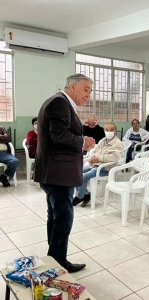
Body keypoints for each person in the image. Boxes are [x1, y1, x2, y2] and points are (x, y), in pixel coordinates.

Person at [34, 73, 96, 272]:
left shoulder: (61, 103)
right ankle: (58, 264)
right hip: (58, 173)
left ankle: (54, 259)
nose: (89, 95)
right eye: (86, 89)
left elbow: (61, 132)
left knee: (55, 216)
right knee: (63, 219)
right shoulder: (59, 103)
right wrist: (82, 141)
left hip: (55, 171)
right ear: (72, 86)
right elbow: (59, 135)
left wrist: (81, 137)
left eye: (90, 91)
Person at [73, 122, 123, 207]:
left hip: (105, 168)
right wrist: (92, 158)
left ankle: (80, 196)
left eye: (111, 130)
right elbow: (94, 151)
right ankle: (86, 194)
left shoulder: (117, 143)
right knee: (76, 173)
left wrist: (98, 158)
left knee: (83, 176)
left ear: (115, 131)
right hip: (94, 164)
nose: (109, 132)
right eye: (107, 130)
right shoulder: (102, 141)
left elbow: (114, 157)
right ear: (104, 130)